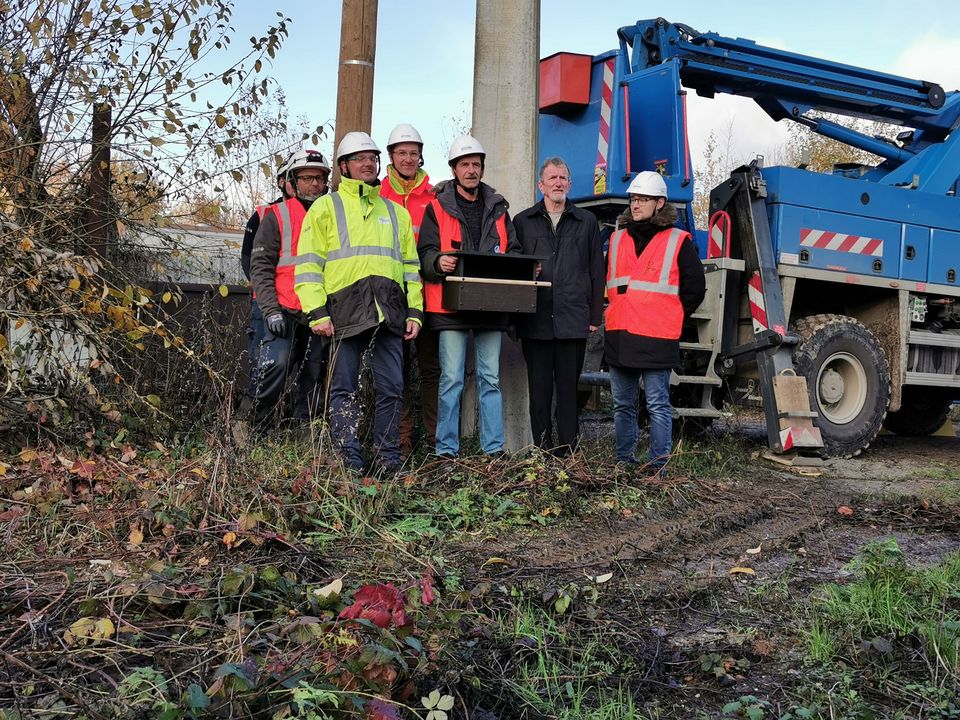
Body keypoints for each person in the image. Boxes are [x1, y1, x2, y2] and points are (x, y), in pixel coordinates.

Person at [295, 131, 423, 473]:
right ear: (344, 166)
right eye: (360, 158)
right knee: (342, 389)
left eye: (372, 158)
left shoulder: (397, 214)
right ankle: (348, 459)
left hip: (389, 313)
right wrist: (316, 312)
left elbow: (411, 267)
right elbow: (308, 265)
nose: (368, 163)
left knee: (392, 389)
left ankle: (387, 459)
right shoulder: (325, 207)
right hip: (343, 312)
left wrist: (415, 312)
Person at [418, 134, 521, 459]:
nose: (471, 170)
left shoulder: (499, 208)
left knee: (490, 379)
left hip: (491, 307)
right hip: (452, 308)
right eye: (465, 164)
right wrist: (437, 261)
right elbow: (424, 253)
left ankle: (493, 451)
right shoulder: (436, 208)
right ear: (454, 169)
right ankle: (446, 451)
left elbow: (514, 251)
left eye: (476, 164)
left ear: (481, 168)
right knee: (451, 380)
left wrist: (521, 272)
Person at [605, 170, 706, 474]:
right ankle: (624, 460)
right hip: (620, 333)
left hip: (656, 337)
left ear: (659, 203)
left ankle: (657, 465)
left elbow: (695, 288)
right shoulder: (617, 237)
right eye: (634, 198)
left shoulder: (677, 240)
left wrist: (671, 314)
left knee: (657, 406)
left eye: (643, 199)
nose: (635, 204)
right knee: (622, 405)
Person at [513, 157, 605, 455]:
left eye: (562, 178)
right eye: (551, 178)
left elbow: (596, 270)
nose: (557, 183)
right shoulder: (523, 222)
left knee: (568, 392)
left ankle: (568, 452)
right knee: (539, 393)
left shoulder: (586, 222)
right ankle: (541, 451)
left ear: (569, 183)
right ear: (541, 185)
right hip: (535, 319)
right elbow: (513, 268)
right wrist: (515, 319)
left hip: (572, 320)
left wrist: (594, 315)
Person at [239, 149, 332, 432]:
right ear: (292, 180)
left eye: (319, 178)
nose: (314, 184)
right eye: (307, 178)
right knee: (272, 365)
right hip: (280, 309)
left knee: (313, 372)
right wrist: (270, 311)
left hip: (316, 311)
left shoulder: (331, 216)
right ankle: (252, 425)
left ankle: (306, 431)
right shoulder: (274, 215)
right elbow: (258, 267)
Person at [379, 124, 438, 457]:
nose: (408, 158)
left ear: (420, 156)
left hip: (427, 295)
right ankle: (400, 441)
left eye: (413, 153)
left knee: (431, 370)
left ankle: (434, 440)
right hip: (389, 297)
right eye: (401, 152)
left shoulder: (435, 198)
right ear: (391, 156)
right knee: (395, 371)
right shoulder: (377, 194)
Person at [240, 163, 294, 384]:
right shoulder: (264, 214)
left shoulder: (319, 212)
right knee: (262, 362)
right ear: (282, 182)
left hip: (301, 304)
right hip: (265, 303)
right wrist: (265, 293)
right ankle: (252, 414)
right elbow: (248, 260)